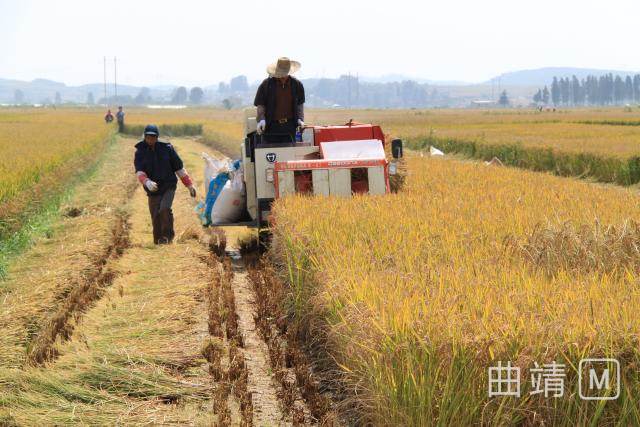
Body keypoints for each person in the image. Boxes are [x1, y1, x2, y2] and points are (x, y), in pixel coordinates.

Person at [133, 124, 197, 244]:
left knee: (164, 209)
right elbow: (140, 171)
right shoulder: (140, 152)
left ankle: (168, 237)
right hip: (152, 188)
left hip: (168, 185)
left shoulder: (167, 149)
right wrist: (146, 182)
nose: (150, 139)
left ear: (157, 137)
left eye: (153, 137)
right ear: (144, 137)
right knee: (155, 215)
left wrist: (189, 185)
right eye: (148, 137)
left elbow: (179, 169)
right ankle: (158, 240)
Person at [253, 57, 305, 143]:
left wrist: (300, 119)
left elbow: (300, 104)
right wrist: (261, 120)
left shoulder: (297, 85)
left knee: (289, 154)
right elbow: (261, 104)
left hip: (290, 126)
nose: (282, 76)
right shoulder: (266, 84)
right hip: (271, 126)